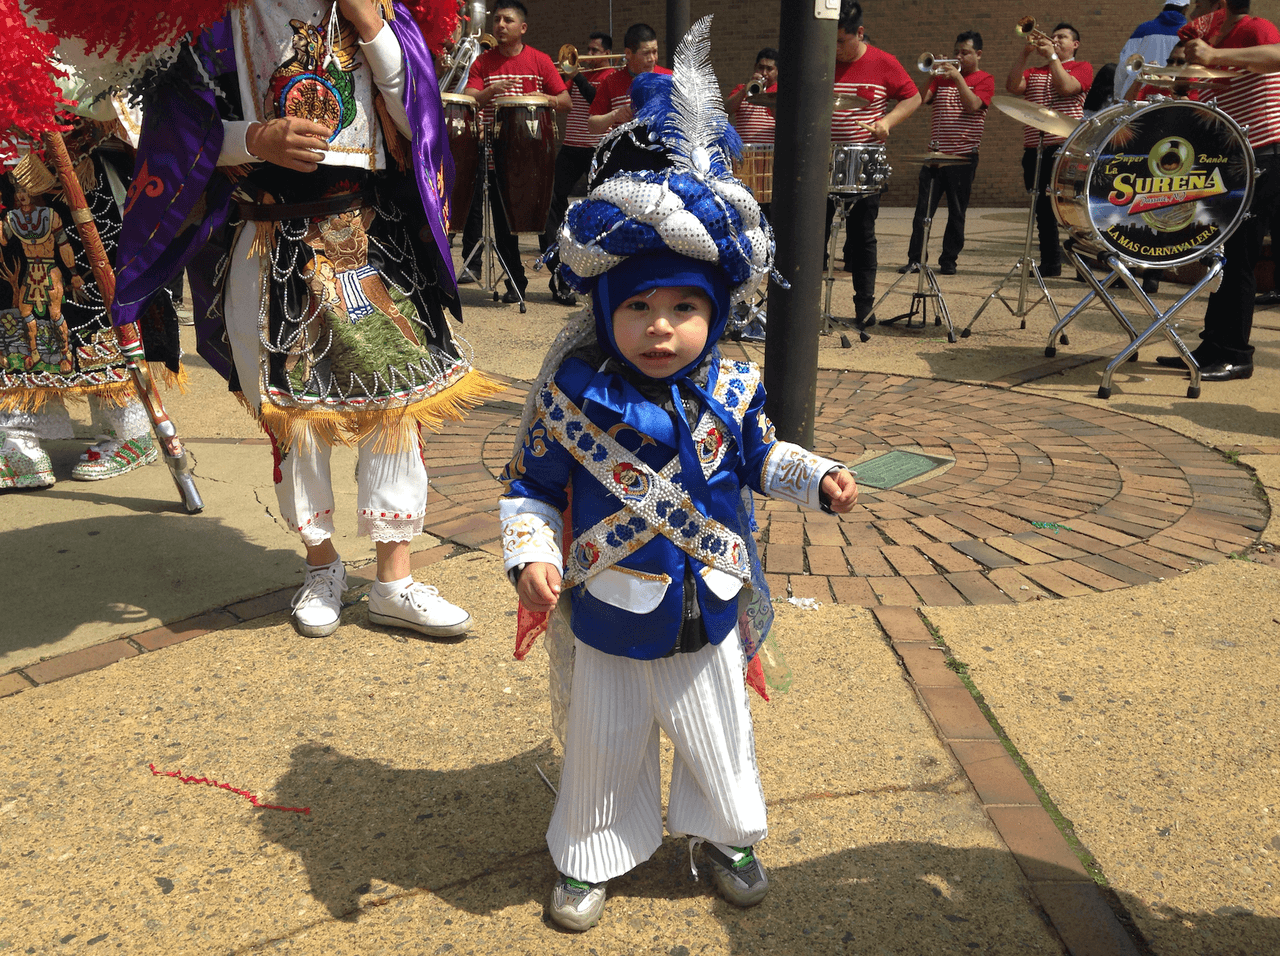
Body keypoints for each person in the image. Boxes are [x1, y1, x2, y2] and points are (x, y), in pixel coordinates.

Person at [499, 17, 858, 933]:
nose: (661, 327)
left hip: (712, 601)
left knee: (719, 738)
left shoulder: (737, 385)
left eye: (684, 308)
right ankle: (589, 855)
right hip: (613, 603)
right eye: (642, 307)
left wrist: (813, 477)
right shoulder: (572, 393)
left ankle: (728, 833)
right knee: (602, 745)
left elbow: (760, 456)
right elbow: (531, 488)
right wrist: (529, 554)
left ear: (715, 310)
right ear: (608, 306)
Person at [113, 0, 500, 637]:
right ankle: (321, 566)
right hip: (268, 234)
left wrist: (370, 25)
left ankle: (394, 579)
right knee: (292, 413)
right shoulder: (212, 18)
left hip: (370, 232)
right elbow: (171, 131)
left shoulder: (380, 8)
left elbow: (419, 120)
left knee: (395, 407)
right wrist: (252, 138)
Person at [1, 108, 178, 490]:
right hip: (9, 188)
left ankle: (128, 431)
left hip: (77, 174)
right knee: (14, 316)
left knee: (96, 310)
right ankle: (18, 439)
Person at [1153, 0, 1280, 380]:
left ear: (1219, 4)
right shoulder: (1208, 35)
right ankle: (1212, 346)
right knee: (1221, 255)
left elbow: (1277, 55)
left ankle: (1236, 354)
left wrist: (1214, 53)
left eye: (1199, 2)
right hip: (1237, 159)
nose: (1192, 8)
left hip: (1264, 153)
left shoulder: (1254, 27)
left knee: (1240, 257)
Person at [462, 1, 570, 302]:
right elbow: (470, 99)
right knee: (503, 222)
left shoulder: (540, 60)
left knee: (546, 222)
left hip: (536, 158)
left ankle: (560, 279)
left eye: (508, 20)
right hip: (498, 155)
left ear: (522, 27)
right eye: (496, 20)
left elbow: (565, 100)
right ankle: (514, 283)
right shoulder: (483, 63)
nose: (500, 25)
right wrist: (490, 92)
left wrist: (544, 97)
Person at [827, 1, 921, 329]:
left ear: (860, 33)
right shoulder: (820, 58)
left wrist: (888, 122)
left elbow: (913, 97)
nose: (835, 48)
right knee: (814, 235)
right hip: (823, 159)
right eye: (831, 41)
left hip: (864, 157)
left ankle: (864, 308)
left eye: (842, 41)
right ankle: (806, 307)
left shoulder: (883, 62)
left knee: (862, 235)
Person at [899, 31, 993, 276]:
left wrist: (958, 78)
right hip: (935, 156)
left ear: (978, 54)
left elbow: (973, 105)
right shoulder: (941, 80)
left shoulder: (985, 79)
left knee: (956, 212)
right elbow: (920, 99)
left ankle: (949, 260)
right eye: (957, 52)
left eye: (965, 52)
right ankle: (915, 260)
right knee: (922, 211)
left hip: (963, 157)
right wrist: (932, 75)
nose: (958, 56)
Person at [1006, 22, 1093, 278]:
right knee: (1042, 210)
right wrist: (1024, 53)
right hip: (1036, 148)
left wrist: (1053, 57)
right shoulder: (1034, 71)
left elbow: (1067, 88)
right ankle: (1051, 263)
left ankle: (1084, 265)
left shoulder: (1081, 67)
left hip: (1067, 147)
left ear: (1074, 44)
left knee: (1074, 208)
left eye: (1062, 37)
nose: (1055, 40)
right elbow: (1012, 87)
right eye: (1053, 37)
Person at [538, 30, 612, 307]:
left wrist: (576, 75)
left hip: (597, 150)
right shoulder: (575, 77)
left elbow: (596, 100)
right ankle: (556, 267)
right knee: (550, 200)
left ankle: (595, 272)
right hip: (571, 147)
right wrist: (560, 79)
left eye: (595, 51)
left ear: (606, 53)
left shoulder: (609, 77)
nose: (589, 55)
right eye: (588, 49)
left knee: (601, 208)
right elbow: (563, 104)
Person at [586, 23, 672, 136]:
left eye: (655, 52)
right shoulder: (612, 81)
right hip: (625, 152)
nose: (652, 59)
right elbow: (592, 127)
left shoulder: (669, 77)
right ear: (628, 53)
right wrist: (615, 115)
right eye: (646, 53)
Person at [1115, 2, 1191, 101]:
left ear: (1164, 7)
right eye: (1170, 62)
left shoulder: (1143, 29)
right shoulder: (1191, 32)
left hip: (1139, 100)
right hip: (1146, 94)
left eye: (1180, 62)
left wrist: (1117, 94)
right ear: (1186, 10)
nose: (1172, 66)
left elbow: (1123, 64)